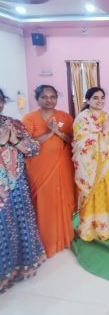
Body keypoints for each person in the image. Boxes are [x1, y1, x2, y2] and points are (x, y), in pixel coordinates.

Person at [22, 85, 76, 258]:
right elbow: (26, 144)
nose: (49, 100)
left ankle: (65, 238)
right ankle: (45, 242)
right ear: (37, 99)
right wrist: (48, 133)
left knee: (64, 201)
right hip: (39, 169)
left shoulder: (65, 117)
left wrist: (58, 133)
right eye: (44, 97)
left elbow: (73, 140)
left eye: (53, 97)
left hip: (63, 167)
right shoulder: (29, 118)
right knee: (43, 204)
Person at [0, 89, 45, 293]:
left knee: (20, 224)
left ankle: (20, 267)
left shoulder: (13, 123)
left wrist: (16, 141)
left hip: (17, 184)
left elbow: (34, 148)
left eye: (0, 101)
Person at [72, 87, 109, 241]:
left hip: (107, 166)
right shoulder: (82, 119)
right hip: (90, 169)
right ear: (88, 100)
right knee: (91, 195)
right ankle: (89, 229)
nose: (100, 100)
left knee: (107, 193)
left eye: (102, 97)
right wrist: (102, 132)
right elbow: (79, 144)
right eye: (95, 98)